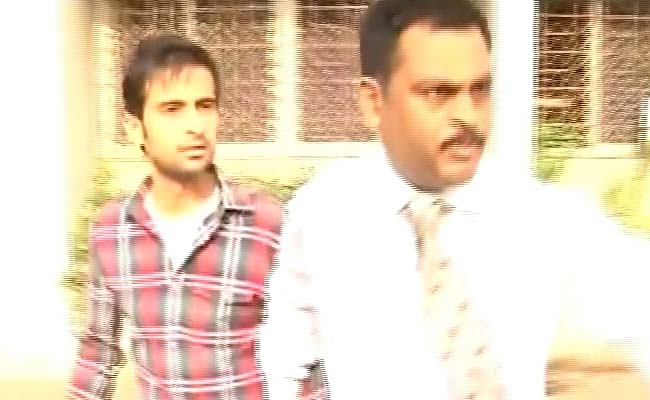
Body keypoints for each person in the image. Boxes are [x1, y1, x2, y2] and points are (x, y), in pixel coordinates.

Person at [259, 0, 650, 399]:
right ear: (374, 102)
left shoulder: (546, 218)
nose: (468, 116)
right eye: (437, 93)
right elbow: (285, 347)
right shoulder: (324, 212)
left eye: (479, 90)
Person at [66, 33, 281, 400]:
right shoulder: (112, 231)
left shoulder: (265, 224)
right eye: (172, 108)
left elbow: (309, 352)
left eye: (205, 105)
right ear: (135, 128)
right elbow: (98, 354)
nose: (195, 125)